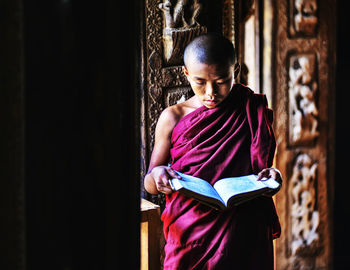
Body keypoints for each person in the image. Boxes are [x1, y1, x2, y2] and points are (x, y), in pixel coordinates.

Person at [144, 33, 282, 270]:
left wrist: (273, 176)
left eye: (220, 81)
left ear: (234, 71)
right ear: (186, 74)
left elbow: (262, 171)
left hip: (243, 229)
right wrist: (158, 176)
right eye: (200, 82)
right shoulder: (173, 117)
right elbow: (149, 182)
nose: (211, 92)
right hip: (189, 232)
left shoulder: (249, 107)